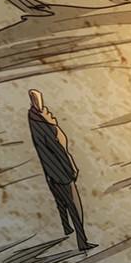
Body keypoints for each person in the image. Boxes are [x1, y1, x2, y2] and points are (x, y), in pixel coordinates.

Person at [26, 89, 94, 253]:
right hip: (61, 173)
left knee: (61, 202)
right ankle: (82, 241)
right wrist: (72, 169)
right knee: (75, 206)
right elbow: (61, 152)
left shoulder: (34, 121)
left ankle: (66, 227)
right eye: (46, 111)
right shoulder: (48, 129)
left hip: (50, 172)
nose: (50, 113)